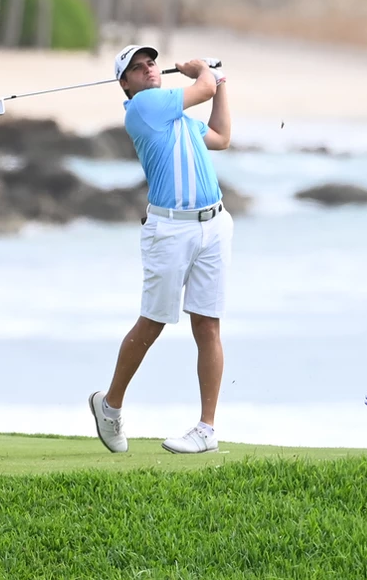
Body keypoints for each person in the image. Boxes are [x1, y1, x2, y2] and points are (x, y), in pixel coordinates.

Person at [89, 44, 232, 455]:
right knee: (153, 322)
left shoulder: (178, 118)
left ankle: (206, 429)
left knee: (208, 325)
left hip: (214, 225)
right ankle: (110, 405)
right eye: (137, 68)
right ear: (126, 84)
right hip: (170, 230)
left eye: (151, 63)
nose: (149, 69)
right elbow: (201, 88)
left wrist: (220, 83)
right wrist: (203, 71)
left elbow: (221, 137)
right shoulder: (143, 109)